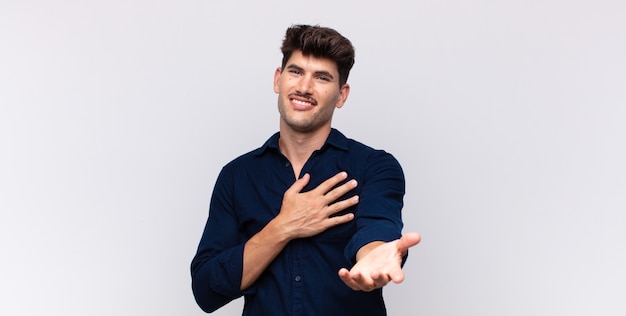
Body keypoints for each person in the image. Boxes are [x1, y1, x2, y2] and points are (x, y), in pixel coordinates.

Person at [191, 24, 421, 315]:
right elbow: (206, 290)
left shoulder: (374, 166)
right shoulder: (237, 176)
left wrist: (374, 258)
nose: (304, 87)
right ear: (278, 79)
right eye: (296, 72)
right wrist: (283, 227)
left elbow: (376, 227)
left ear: (341, 95)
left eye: (322, 78)